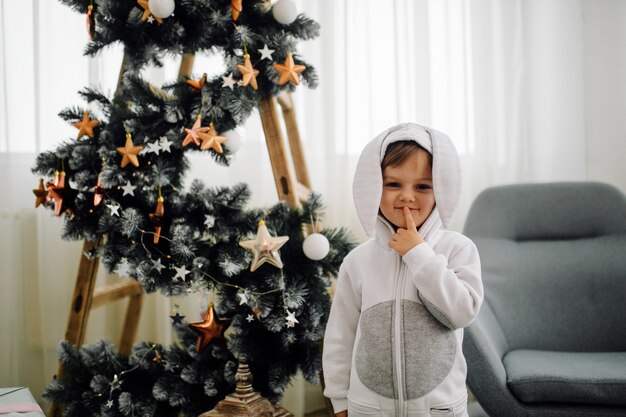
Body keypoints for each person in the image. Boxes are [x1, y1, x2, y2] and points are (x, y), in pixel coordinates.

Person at [322, 123, 483, 417]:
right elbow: (340, 335)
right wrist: (340, 400)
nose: (407, 196)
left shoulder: (458, 249)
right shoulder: (358, 261)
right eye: (393, 184)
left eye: (422, 186)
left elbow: (461, 312)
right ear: (373, 187)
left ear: (441, 190)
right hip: (369, 409)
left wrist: (418, 254)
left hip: (439, 408)